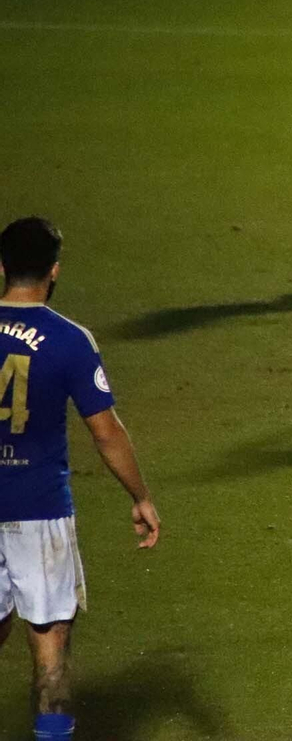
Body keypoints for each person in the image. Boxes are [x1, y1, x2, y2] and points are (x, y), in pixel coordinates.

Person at [1, 217, 161, 741]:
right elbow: (106, 432)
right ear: (54, 272)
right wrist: (140, 496)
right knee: (49, 648)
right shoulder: (69, 339)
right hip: (41, 510)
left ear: (2, 267)